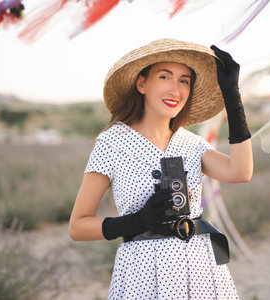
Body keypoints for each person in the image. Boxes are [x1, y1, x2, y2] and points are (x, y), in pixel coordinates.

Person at [69, 38, 253, 299]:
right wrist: (137, 221)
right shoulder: (111, 142)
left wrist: (232, 96)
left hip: (200, 267)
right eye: (165, 77)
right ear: (141, 83)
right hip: (142, 272)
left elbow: (241, 172)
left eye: (184, 80)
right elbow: (77, 227)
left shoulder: (192, 144)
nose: (175, 90)